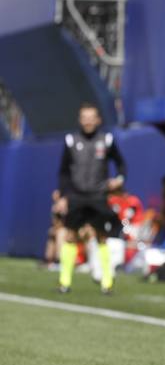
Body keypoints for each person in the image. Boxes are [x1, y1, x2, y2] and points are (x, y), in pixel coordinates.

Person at [55, 103, 126, 295]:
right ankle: (64, 282)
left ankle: (107, 282)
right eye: (84, 117)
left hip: (98, 196)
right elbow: (63, 172)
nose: (88, 121)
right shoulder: (71, 140)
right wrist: (62, 195)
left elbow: (121, 164)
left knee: (102, 236)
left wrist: (119, 180)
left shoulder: (106, 140)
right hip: (76, 195)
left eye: (91, 117)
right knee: (70, 236)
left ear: (98, 120)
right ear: (79, 120)